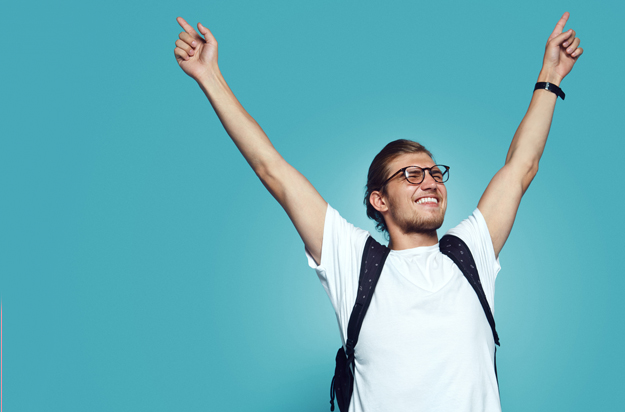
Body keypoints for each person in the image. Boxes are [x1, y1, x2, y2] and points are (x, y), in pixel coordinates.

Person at [173, 12, 582, 411]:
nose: (430, 181)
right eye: (411, 174)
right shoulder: (352, 261)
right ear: (379, 200)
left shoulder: (469, 252)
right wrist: (210, 76)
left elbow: (521, 167)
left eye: (435, 172)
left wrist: (551, 77)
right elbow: (273, 171)